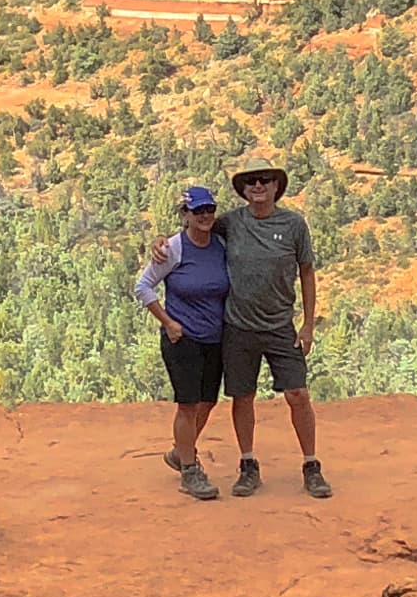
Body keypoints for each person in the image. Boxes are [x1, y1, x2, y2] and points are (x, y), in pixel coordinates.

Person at [215, 165, 326, 499]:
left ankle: (311, 465)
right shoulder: (230, 223)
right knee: (242, 396)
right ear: (243, 189)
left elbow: (307, 271)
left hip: (281, 326)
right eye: (251, 181)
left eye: (265, 180)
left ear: (277, 186)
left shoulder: (293, 225)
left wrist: (308, 324)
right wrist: (159, 245)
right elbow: (195, 233)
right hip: (238, 326)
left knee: (298, 394)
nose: (258, 185)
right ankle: (248, 465)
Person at [133, 185, 228, 498]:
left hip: (215, 338)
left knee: (208, 402)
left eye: (209, 210)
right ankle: (190, 470)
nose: (204, 216)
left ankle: (179, 452)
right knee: (188, 405)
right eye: (197, 211)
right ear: (185, 215)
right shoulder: (173, 249)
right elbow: (143, 287)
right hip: (182, 338)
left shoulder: (222, 243)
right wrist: (168, 323)